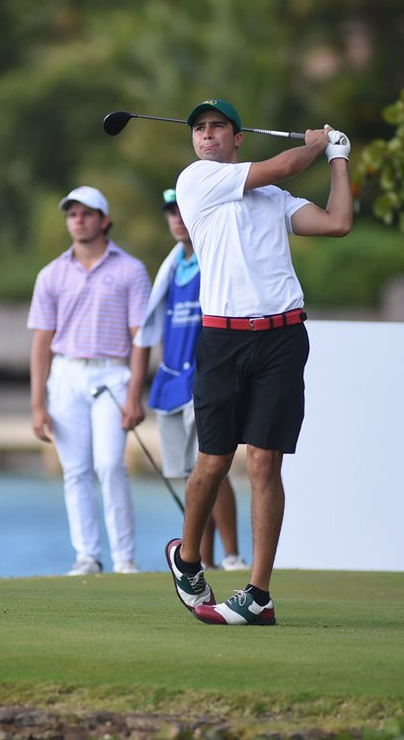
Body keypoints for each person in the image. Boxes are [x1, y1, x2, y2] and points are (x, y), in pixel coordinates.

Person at [164, 98, 352, 626]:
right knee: (214, 461)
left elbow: (338, 222)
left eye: (217, 128)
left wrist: (339, 157)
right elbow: (288, 162)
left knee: (265, 462)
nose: (206, 136)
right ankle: (189, 558)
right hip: (222, 340)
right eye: (199, 129)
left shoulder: (274, 198)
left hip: (282, 337)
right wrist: (314, 144)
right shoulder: (196, 181)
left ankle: (258, 594)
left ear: (238, 136)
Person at [28, 186, 152, 576]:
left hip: (113, 373)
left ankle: (125, 559)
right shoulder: (51, 274)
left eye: (86, 213)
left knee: (111, 463)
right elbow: (41, 342)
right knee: (76, 470)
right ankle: (87, 556)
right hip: (65, 374)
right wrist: (36, 404)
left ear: (105, 220)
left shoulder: (131, 270)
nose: (78, 220)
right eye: (72, 214)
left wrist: (135, 396)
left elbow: (141, 338)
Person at [137, 187, 247, 572]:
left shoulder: (213, 257)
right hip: (172, 382)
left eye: (183, 209)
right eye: (171, 211)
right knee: (192, 475)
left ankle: (232, 556)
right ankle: (205, 559)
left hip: (208, 377)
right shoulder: (171, 266)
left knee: (213, 466)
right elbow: (148, 333)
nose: (177, 218)